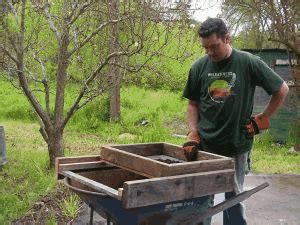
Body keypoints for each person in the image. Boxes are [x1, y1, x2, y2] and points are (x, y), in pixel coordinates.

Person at [182, 18, 289, 225]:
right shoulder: (198, 67)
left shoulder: (248, 62)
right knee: (202, 199)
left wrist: (263, 118)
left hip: (237, 144)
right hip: (206, 147)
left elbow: (281, 89)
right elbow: (193, 104)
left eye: (214, 46)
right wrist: (192, 132)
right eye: (206, 48)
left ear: (227, 38)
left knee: (234, 199)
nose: (210, 52)